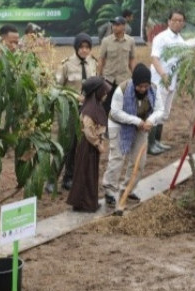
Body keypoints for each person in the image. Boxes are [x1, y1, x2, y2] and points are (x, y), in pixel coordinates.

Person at [102, 64, 164, 206]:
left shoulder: (154, 90)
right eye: (139, 86)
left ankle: (128, 189)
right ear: (134, 83)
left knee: (139, 161)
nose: (142, 89)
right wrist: (137, 121)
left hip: (142, 125)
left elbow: (160, 109)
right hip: (118, 124)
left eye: (145, 86)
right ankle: (110, 191)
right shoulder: (122, 90)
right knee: (117, 158)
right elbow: (116, 112)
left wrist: (150, 120)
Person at [55, 32, 98, 190]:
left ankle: (70, 177)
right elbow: (57, 88)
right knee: (66, 144)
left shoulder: (93, 63)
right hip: (68, 109)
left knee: (81, 145)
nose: (84, 50)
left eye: (87, 47)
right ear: (76, 47)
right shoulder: (66, 64)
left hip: (87, 110)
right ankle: (52, 179)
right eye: (81, 47)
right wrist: (74, 96)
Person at [66, 78, 109, 212]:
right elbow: (89, 131)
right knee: (86, 173)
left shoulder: (94, 106)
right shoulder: (89, 110)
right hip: (87, 146)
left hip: (91, 146)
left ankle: (86, 202)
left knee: (89, 172)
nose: (105, 95)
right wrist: (98, 144)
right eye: (103, 92)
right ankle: (85, 204)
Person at [149, 10, 187, 154]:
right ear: (169, 21)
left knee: (164, 112)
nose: (177, 23)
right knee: (156, 110)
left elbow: (183, 58)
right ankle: (150, 144)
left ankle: (157, 141)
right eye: (175, 20)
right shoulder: (161, 38)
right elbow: (154, 59)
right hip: (159, 80)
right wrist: (163, 75)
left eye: (180, 20)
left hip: (172, 81)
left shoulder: (180, 40)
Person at [97, 16, 137, 114]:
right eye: (113, 24)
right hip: (108, 79)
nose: (114, 27)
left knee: (122, 104)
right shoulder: (106, 41)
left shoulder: (130, 41)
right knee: (106, 105)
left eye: (117, 25)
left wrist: (135, 75)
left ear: (124, 26)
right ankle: (105, 127)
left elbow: (132, 59)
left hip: (123, 79)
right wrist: (99, 76)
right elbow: (101, 60)